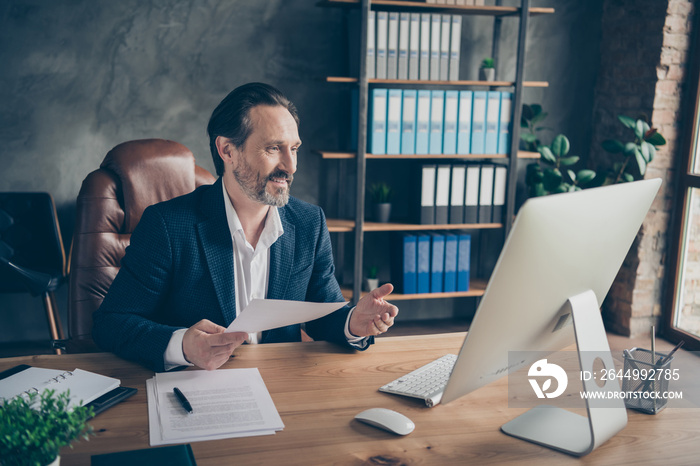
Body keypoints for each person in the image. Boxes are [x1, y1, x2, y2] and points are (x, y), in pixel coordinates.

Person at [92, 82, 399, 372]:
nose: (291, 166)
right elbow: (111, 323)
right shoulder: (167, 226)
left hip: (281, 387)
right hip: (195, 390)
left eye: (294, 148)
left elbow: (324, 313)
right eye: (273, 148)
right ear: (228, 151)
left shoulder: (309, 223)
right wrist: (182, 346)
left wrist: (353, 323)